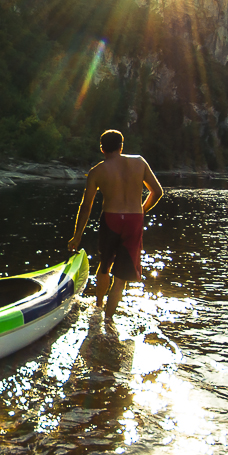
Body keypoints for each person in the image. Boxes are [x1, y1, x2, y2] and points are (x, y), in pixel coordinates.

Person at [67, 130, 164, 317]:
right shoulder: (140, 162)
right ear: (122, 146)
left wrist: (77, 235)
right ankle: (108, 319)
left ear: (102, 148)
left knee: (104, 266)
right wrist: (142, 210)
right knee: (120, 278)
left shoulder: (97, 171)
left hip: (111, 218)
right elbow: (157, 192)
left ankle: (98, 306)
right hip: (134, 219)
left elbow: (86, 206)